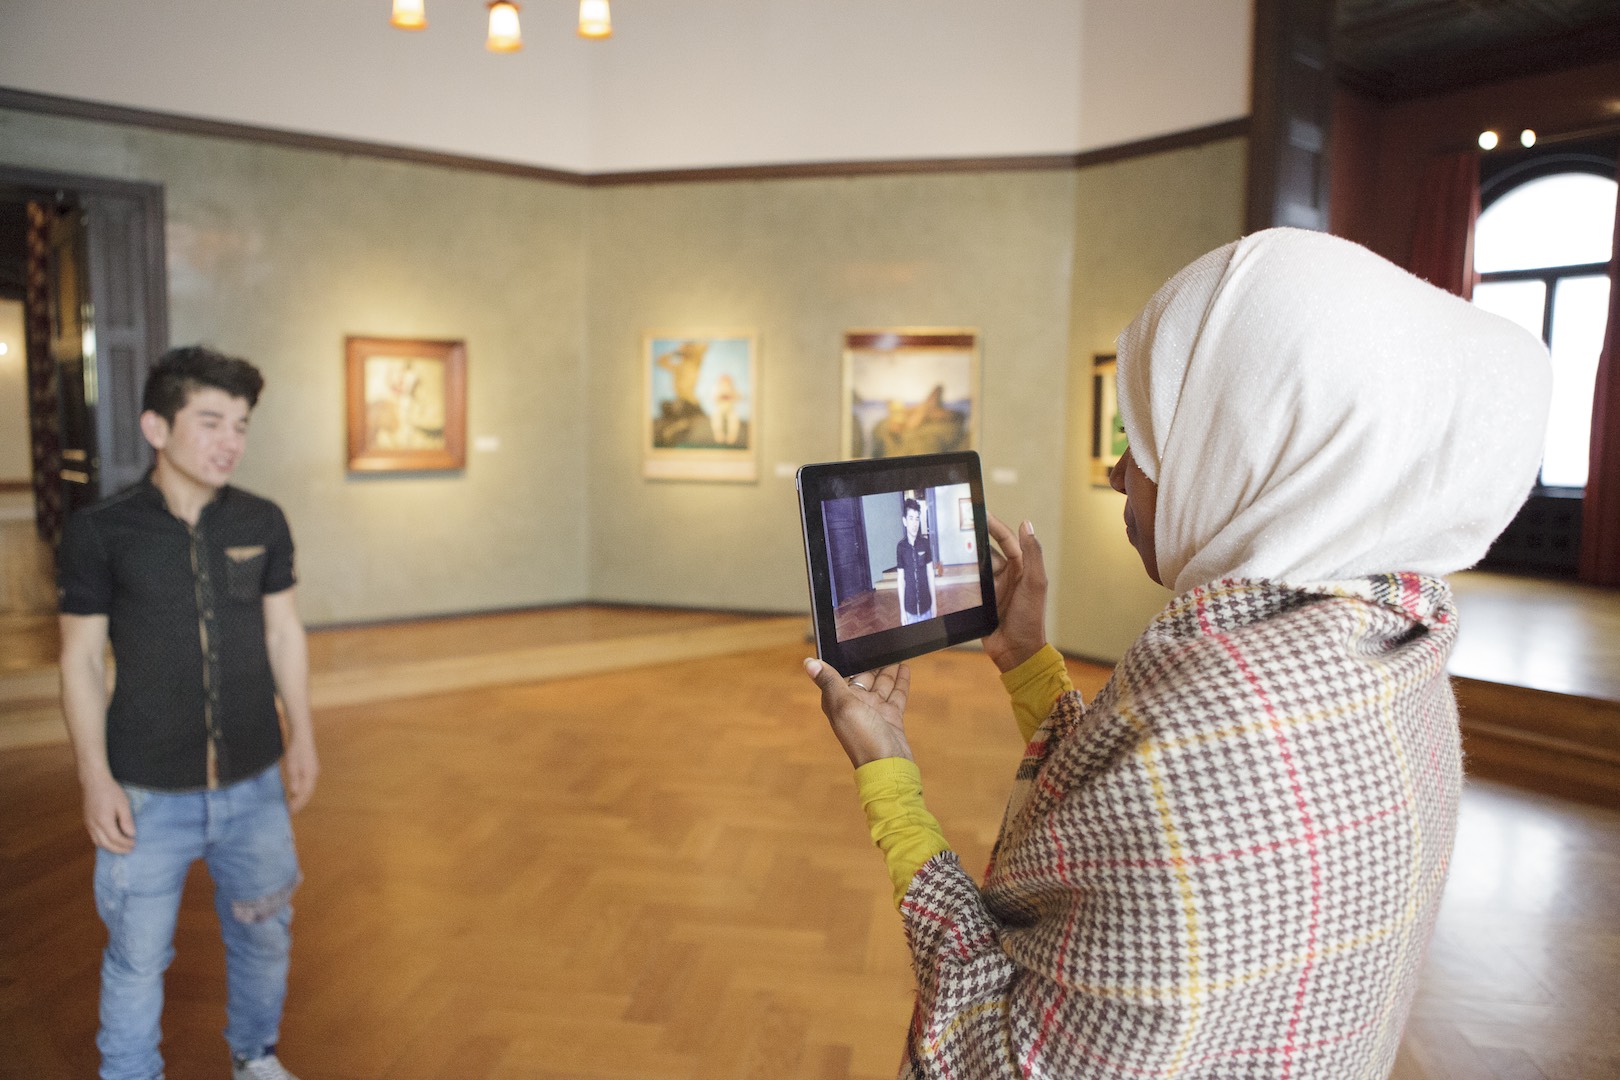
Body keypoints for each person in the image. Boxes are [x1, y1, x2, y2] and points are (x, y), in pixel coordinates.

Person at [804, 228, 1552, 1078]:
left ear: (1245, 447)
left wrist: (889, 777)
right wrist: (1030, 662)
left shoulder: (1223, 714)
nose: (1119, 473)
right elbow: (1127, 828)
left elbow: (994, 1056)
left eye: (1153, 440)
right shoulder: (1390, 650)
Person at [57, 346, 318, 1080]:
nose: (230, 441)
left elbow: (283, 633)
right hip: (145, 789)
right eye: (210, 422)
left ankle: (255, 1056)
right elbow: (80, 660)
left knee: (265, 934)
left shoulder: (263, 519)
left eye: (241, 425)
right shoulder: (102, 530)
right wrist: (94, 777)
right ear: (156, 427)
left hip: (254, 780)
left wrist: (303, 733)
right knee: (137, 957)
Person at [895, 497, 937, 626]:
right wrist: (902, 611)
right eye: (911, 518)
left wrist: (934, 603)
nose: (915, 523)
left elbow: (930, 574)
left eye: (917, 518)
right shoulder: (901, 547)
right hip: (909, 610)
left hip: (927, 607)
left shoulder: (925, 543)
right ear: (904, 521)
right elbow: (901, 580)